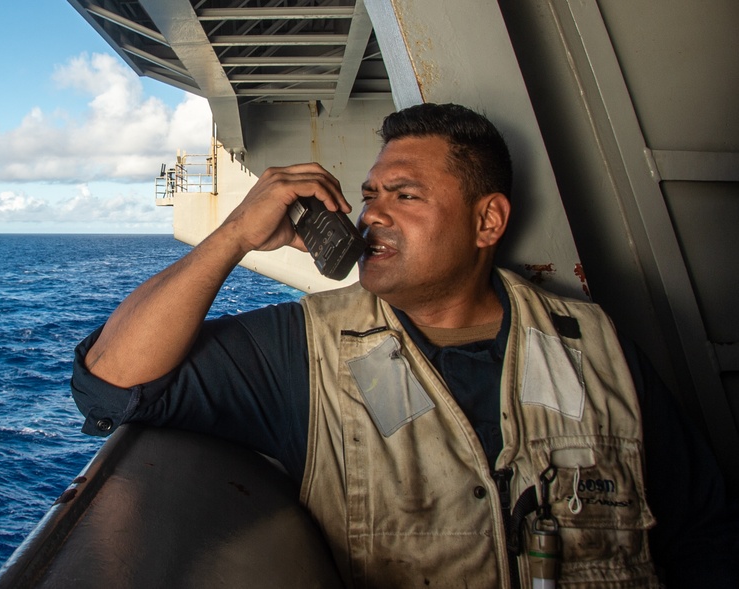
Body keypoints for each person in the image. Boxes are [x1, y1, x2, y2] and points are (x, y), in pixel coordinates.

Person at [70, 103, 737, 588]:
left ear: (487, 221)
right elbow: (111, 378)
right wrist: (236, 235)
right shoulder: (306, 349)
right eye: (368, 196)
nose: (371, 214)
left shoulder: (597, 347)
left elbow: (700, 534)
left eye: (403, 194)